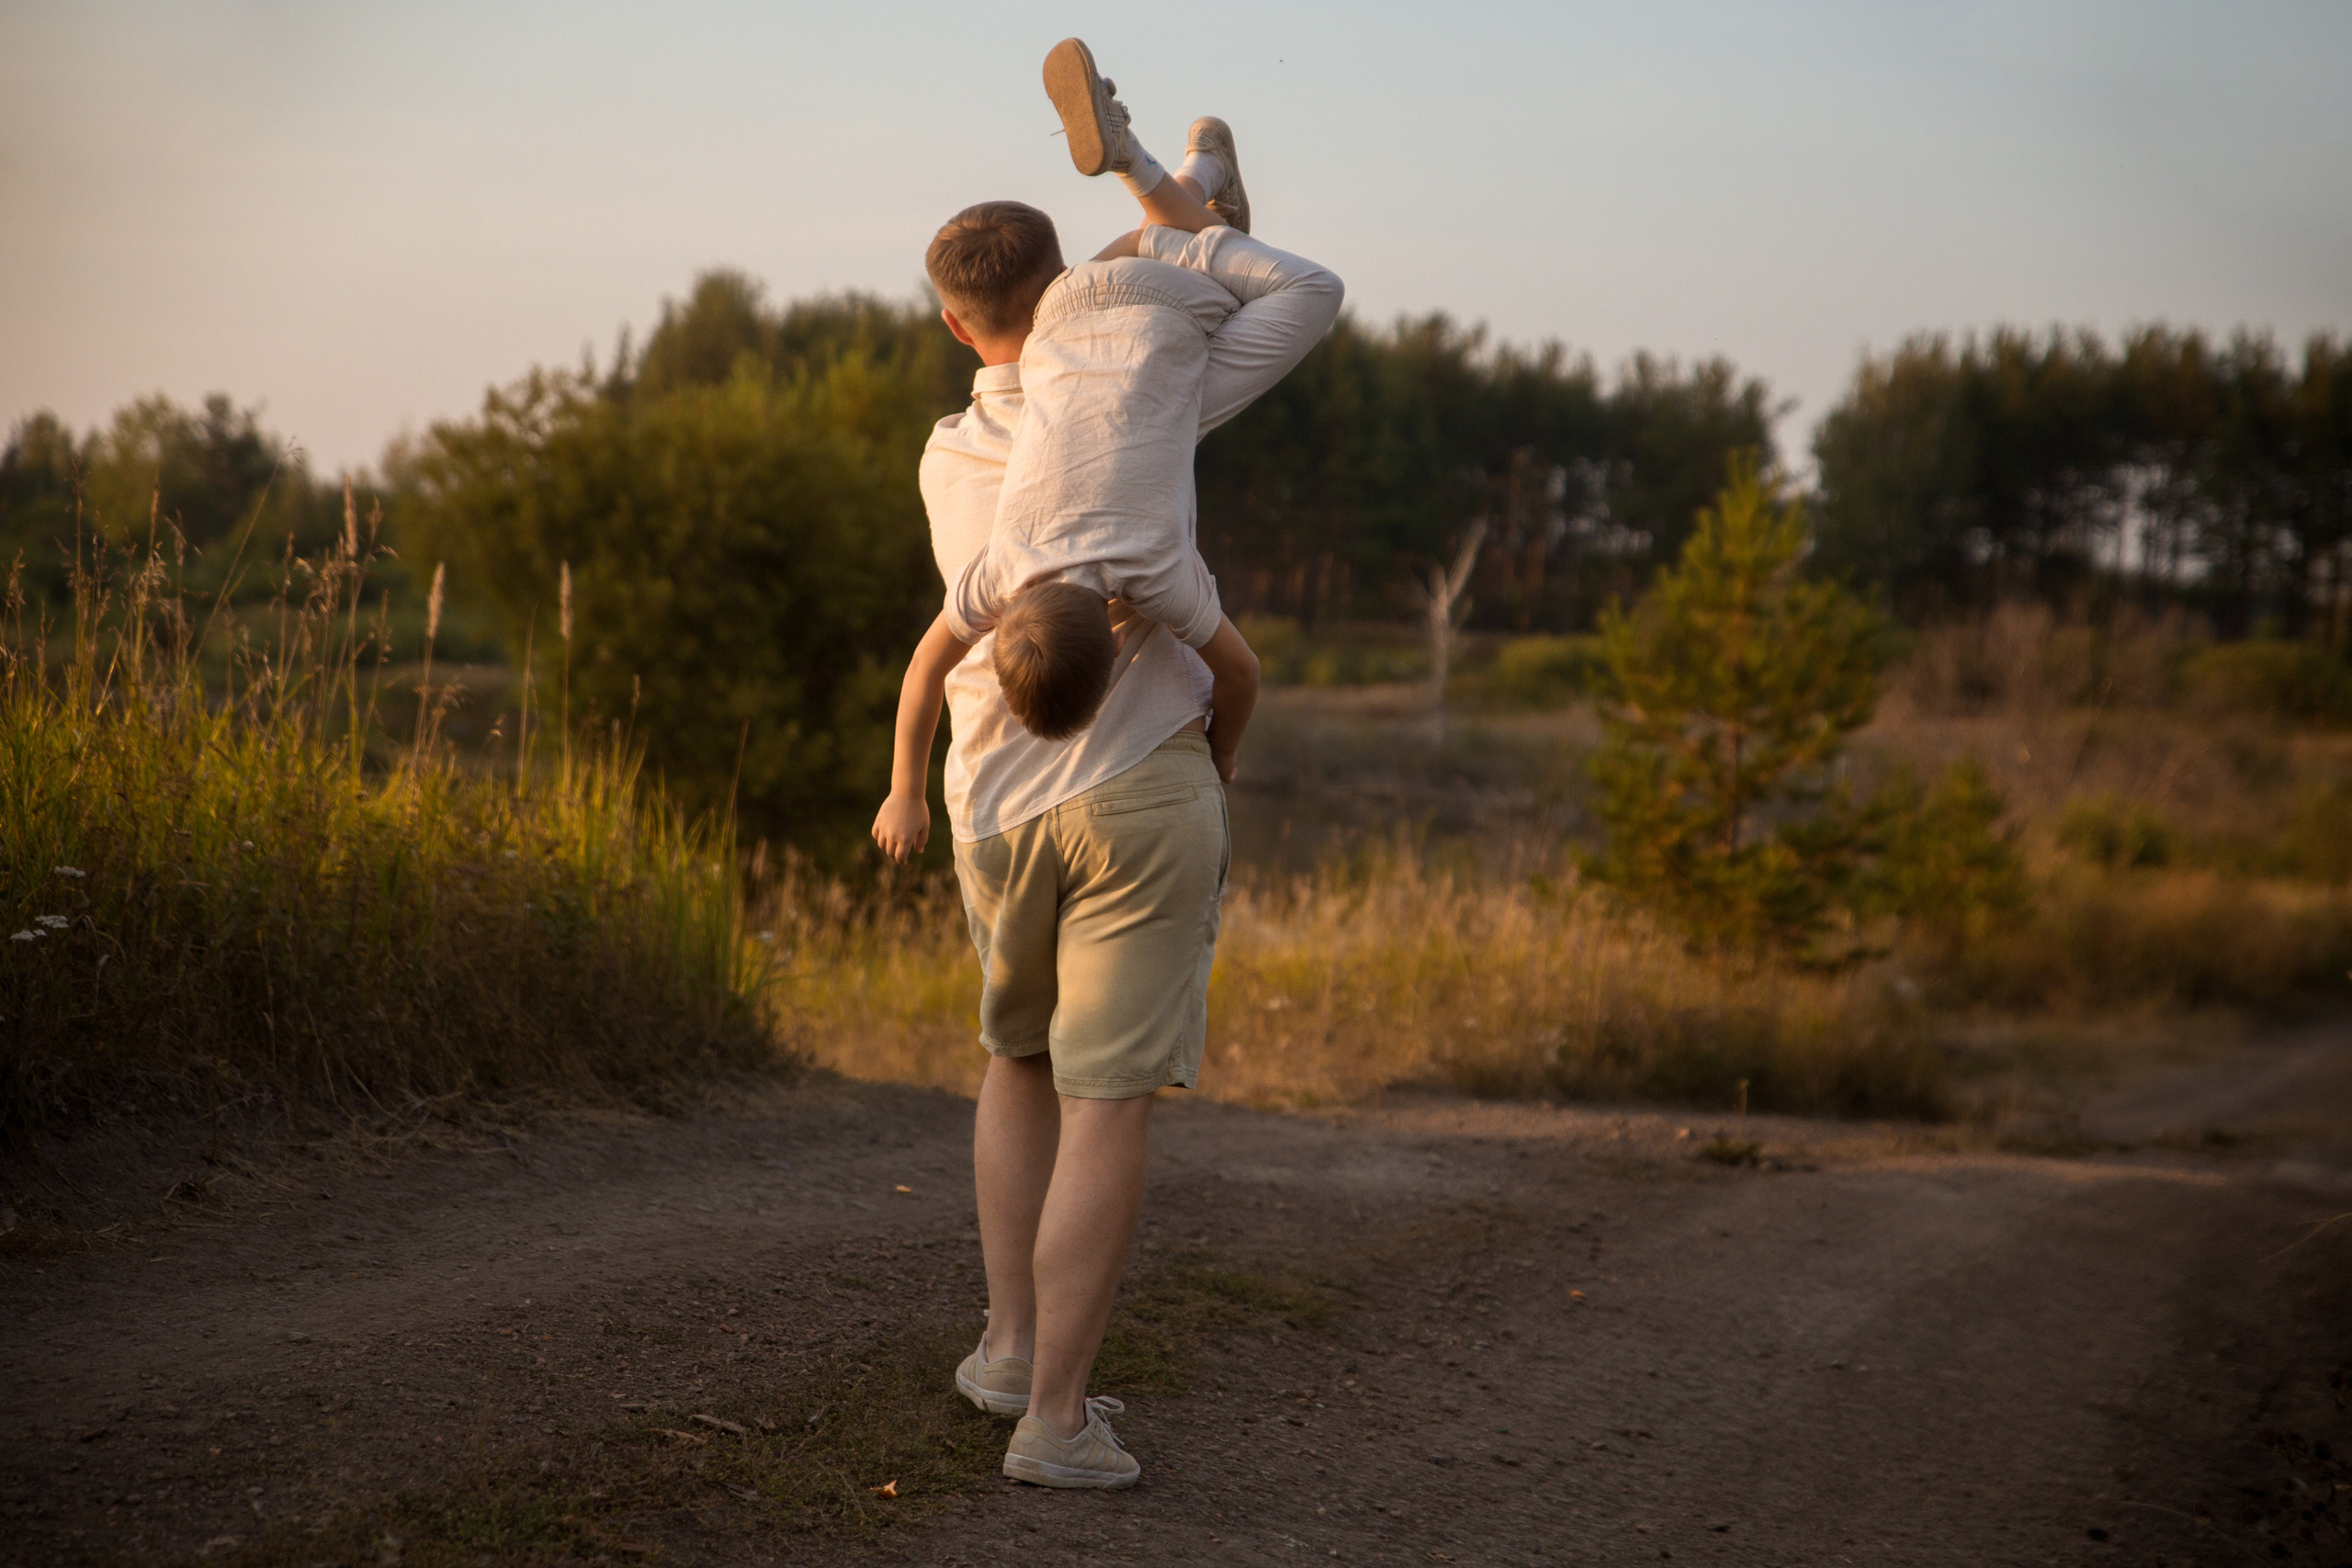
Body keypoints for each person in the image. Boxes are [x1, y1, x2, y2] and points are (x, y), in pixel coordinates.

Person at [872, 38, 1342, 1490]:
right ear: (1062, 282)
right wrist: (1174, 212)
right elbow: (1246, 309)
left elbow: (938, 640)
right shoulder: (1142, 387)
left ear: (959, 331)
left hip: (986, 803)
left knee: (1014, 1061)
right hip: (1141, 790)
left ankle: (1011, 1349)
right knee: (1108, 1098)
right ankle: (1057, 1425)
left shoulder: (954, 459)